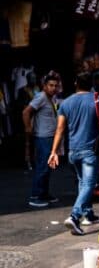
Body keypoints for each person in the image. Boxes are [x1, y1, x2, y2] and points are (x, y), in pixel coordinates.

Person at [48, 74, 99, 235]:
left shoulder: (66, 103)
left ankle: (88, 214)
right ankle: (75, 216)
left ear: (75, 84)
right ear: (91, 85)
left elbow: (60, 129)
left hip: (73, 151)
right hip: (90, 150)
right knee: (89, 184)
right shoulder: (97, 99)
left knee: (83, 182)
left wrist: (54, 152)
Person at [22, 71, 60, 207]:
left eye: (55, 85)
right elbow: (26, 112)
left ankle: (44, 193)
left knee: (48, 167)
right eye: (51, 85)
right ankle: (35, 195)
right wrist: (28, 128)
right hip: (43, 137)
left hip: (49, 137)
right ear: (44, 86)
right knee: (43, 166)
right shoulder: (41, 97)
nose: (53, 88)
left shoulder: (51, 98)